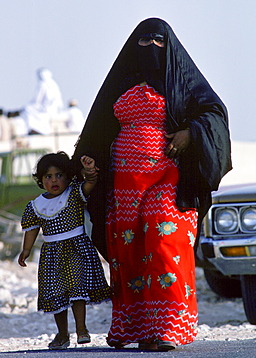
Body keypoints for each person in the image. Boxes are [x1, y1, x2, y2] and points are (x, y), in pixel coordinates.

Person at [72, 18, 232, 351]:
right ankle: (137, 327)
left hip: (170, 177)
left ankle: (169, 326)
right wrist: (88, 159)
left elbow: (214, 112)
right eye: (144, 42)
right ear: (133, 46)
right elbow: (97, 130)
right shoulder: (121, 82)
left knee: (164, 241)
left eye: (158, 41)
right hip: (125, 183)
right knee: (129, 251)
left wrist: (191, 134)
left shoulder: (182, 80)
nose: (151, 48)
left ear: (169, 45)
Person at [18, 151, 110, 350]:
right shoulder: (36, 206)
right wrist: (26, 250)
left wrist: (90, 172)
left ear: (68, 177)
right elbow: (32, 229)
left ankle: (82, 329)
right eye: (48, 176)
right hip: (52, 254)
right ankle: (62, 334)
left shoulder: (74, 193)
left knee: (78, 289)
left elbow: (90, 184)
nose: (54, 180)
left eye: (59, 175)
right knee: (56, 294)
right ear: (41, 180)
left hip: (77, 249)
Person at [9, 68, 64, 136]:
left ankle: (32, 129)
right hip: (53, 109)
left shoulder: (42, 84)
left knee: (27, 109)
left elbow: (37, 100)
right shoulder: (53, 84)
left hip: (45, 109)